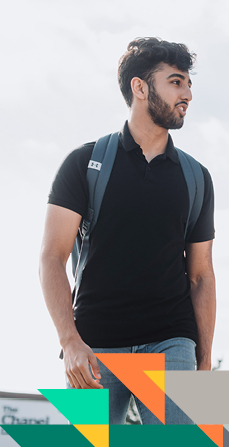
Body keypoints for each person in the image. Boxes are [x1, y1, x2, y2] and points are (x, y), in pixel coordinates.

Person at [39, 37, 215, 425]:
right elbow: (51, 257)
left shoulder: (196, 177)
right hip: (95, 341)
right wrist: (70, 342)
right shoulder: (83, 163)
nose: (186, 94)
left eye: (188, 84)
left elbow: (201, 273)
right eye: (175, 82)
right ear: (140, 87)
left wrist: (204, 361)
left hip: (171, 338)